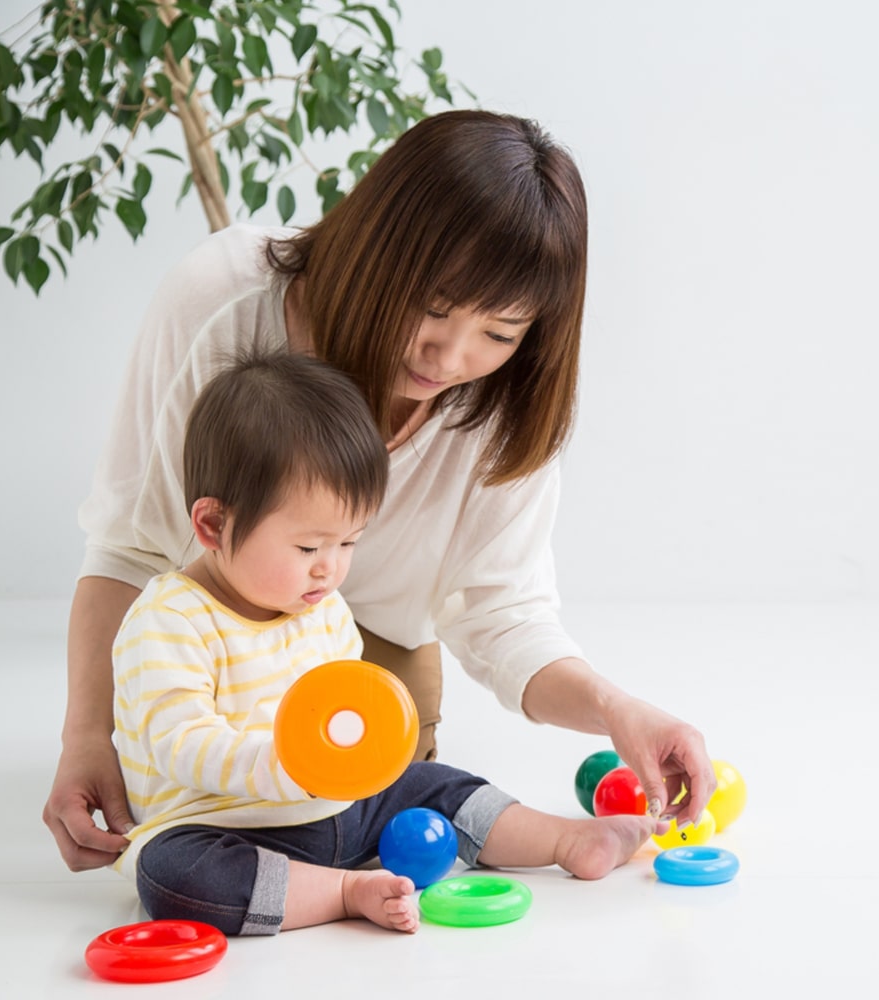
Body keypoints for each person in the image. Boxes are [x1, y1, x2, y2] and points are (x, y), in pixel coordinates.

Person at [44, 109, 715, 873]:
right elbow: (129, 545)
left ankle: (554, 842)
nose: (452, 356)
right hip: (216, 640)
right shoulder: (224, 300)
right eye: (432, 306)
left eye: (499, 333)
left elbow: (503, 615)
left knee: (394, 790)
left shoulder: (507, 403)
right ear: (376, 247)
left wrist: (614, 709)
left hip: (363, 658)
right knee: (206, 826)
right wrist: (86, 740)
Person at [115, 349, 665, 936]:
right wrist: (292, 766)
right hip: (227, 827)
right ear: (212, 526)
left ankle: (564, 839)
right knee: (171, 876)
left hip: (340, 809)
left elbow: (348, 705)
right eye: (308, 548)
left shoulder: (320, 609)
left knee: (430, 783)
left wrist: (366, 754)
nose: (330, 569)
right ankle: (343, 892)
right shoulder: (168, 621)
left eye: (348, 543)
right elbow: (181, 742)